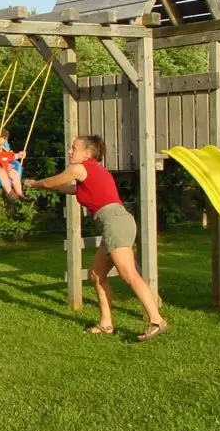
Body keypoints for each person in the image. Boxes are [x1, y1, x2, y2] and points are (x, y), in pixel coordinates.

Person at [24, 135, 168, 342]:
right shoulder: (92, 171)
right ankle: (106, 324)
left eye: (74, 148)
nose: (69, 151)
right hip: (116, 222)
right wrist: (48, 186)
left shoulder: (80, 168)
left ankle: (157, 321)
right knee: (97, 275)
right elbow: (71, 189)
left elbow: (49, 182)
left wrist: (33, 184)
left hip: (115, 223)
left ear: (87, 153)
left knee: (129, 275)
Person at [0, 125, 26, 200]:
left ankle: (19, 192)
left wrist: (19, 155)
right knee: (1, 173)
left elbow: (11, 156)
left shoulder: (4, 150)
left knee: (15, 173)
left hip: (6, 168)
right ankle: (9, 192)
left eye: (3, 144)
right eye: (0, 145)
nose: (2, 146)